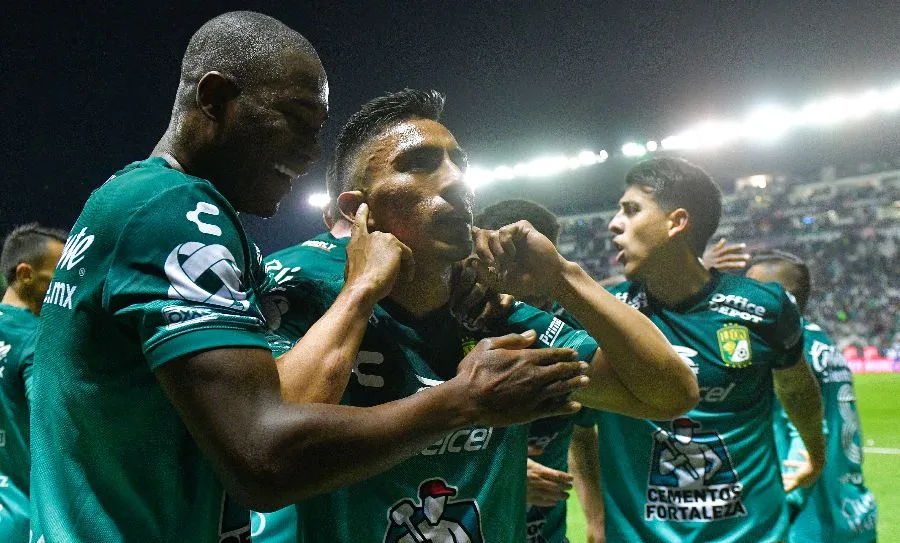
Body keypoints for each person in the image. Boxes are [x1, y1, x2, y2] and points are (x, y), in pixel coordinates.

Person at [29, 13, 589, 542]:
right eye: (296, 120)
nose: (309, 152)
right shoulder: (176, 212)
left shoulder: (131, 201)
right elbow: (263, 460)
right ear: (216, 99)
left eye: (317, 130)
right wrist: (464, 400)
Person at [261, 88, 696, 542]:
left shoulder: (491, 310)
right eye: (418, 164)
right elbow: (268, 449)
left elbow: (670, 394)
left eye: (459, 163)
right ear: (357, 210)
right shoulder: (301, 282)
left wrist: (564, 276)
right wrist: (362, 291)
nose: (455, 180)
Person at [569, 157, 826, 542]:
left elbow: (796, 388)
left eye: (632, 210)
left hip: (753, 534)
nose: (614, 224)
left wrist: (814, 453)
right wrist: (594, 517)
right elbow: (581, 428)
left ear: (676, 222)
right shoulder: (604, 318)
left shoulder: (765, 308)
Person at [747, 251, 877, 542]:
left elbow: (806, 434)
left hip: (806, 523)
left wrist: (783, 510)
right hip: (853, 513)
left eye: (750, 291)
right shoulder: (825, 344)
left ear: (778, 299)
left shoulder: (781, 351)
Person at [0, 224, 65, 542]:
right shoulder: (37, 338)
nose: (65, 288)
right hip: (25, 519)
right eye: (55, 278)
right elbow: (54, 425)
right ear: (25, 273)